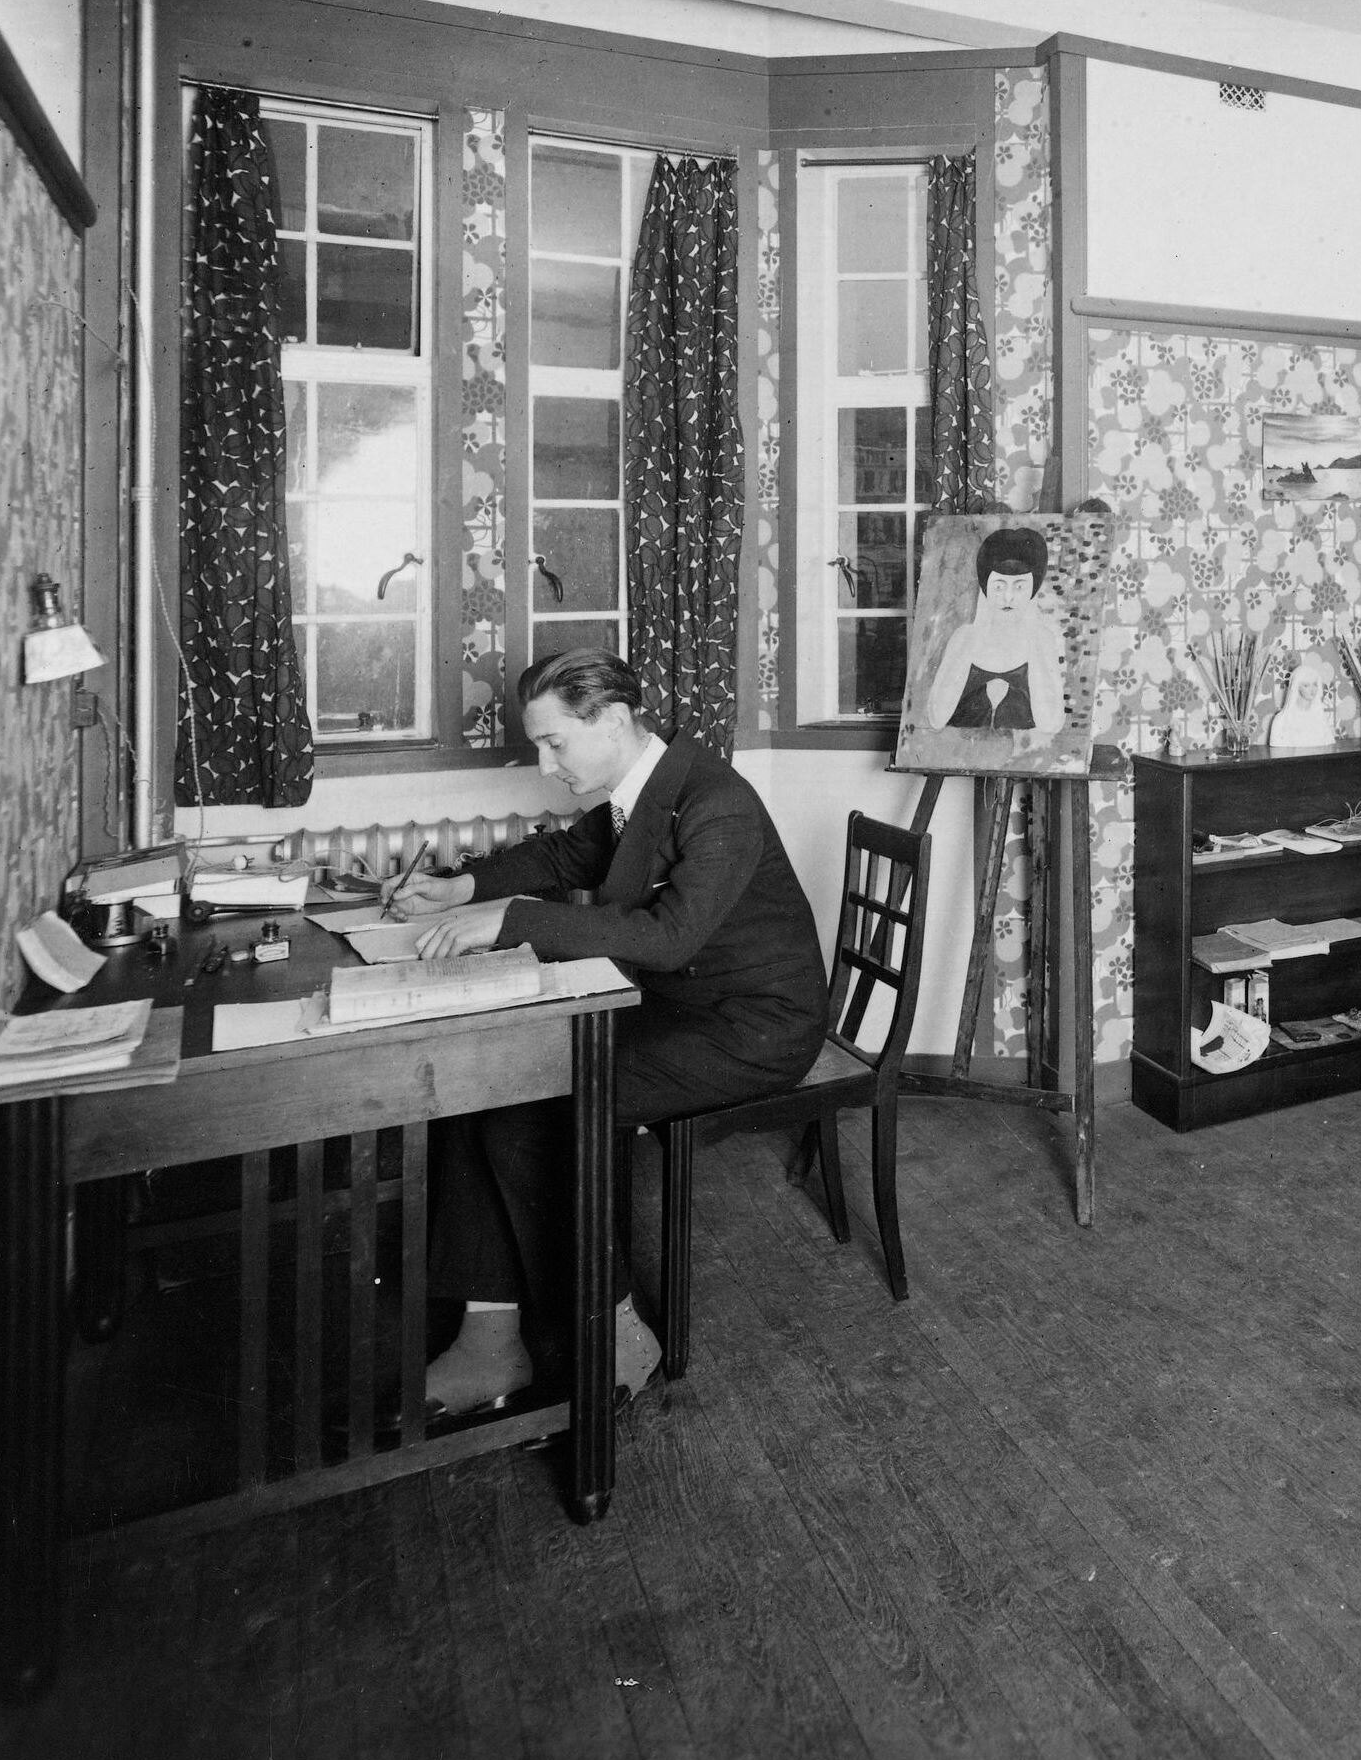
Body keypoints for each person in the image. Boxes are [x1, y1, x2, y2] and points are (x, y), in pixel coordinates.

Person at [388, 649, 829, 1416]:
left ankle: (620, 1336)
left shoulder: (715, 800)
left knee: (537, 1112)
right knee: (487, 1077)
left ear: (616, 720)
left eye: (554, 741)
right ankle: (487, 1341)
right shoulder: (647, 789)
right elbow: (563, 853)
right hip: (682, 1006)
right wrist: (460, 888)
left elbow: (668, 938)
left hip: (756, 1026)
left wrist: (511, 919)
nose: (544, 762)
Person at [918, 524, 1067, 736]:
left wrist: (1036, 644)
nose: (1008, 597)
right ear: (985, 587)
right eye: (999, 586)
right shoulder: (964, 638)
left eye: (1019, 586)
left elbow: (1051, 724)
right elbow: (936, 719)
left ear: (1033, 590)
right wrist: (967, 647)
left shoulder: (1042, 639)